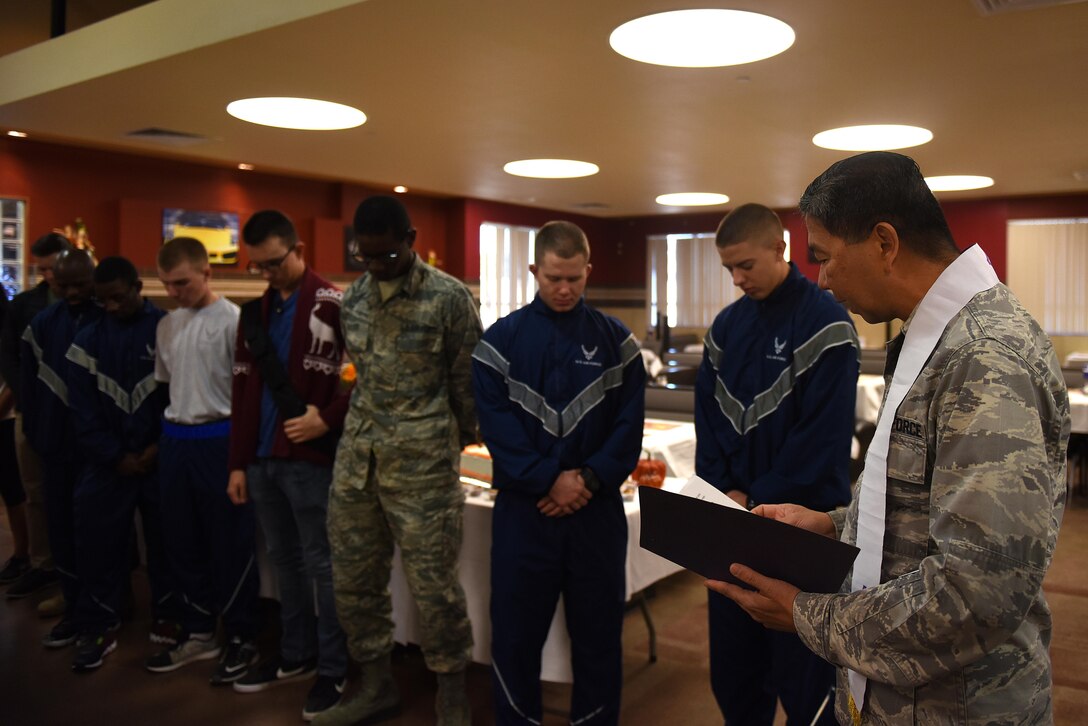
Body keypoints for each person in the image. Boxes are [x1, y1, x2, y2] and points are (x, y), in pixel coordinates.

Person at [709, 151, 1069, 725]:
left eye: (825, 257)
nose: (822, 280)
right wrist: (834, 524)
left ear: (884, 242)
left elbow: (976, 593)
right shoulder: (936, 337)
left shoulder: (983, 357)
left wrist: (807, 614)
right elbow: (922, 506)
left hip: (958, 706)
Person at [472, 220, 646, 726]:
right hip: (526, 514)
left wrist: (586, 480)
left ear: (589, 270)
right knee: (515, 637)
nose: (565, 289)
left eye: (575, 278)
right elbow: (497, 430)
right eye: (554, 278)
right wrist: (550, 479)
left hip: (596, 514)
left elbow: (627, 429)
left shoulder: (619, 343)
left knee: (598, 638)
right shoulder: (497, 345)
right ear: (534, 271)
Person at [315, 196, 478, 726]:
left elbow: (468, 389)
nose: (377, 266)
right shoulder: (354, 300)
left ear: (410, 239)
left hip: (424, 466)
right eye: (367, 257)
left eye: (387, 255)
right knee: (354, 582)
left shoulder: (449, 298)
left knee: (434, 588)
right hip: (358, 462)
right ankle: (375, 685)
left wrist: (443, 443)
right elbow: (357, 373)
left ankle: (451, 694)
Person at [695, 203, 858, 725]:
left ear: (780, 249)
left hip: (798, 532)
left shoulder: (827, 324)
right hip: (731, 527)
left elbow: (822, 440)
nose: (738, 279)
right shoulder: (724, 328)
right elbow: (709, 424)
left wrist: (755, 499)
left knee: (805, 683)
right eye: (729, 270)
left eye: (746, 265)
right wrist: (727, 493)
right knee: (736, 678)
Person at [227, 210, 349, 720]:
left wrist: (326, 419)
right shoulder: (253, 315)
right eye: (258, 266)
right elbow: (241, 391)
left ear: (299, 249)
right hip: (262, 458)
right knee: (284, 559)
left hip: (310, 457)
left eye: (275, 262)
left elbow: (360, 378)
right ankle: (296, 652)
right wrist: (238, 463)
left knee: (323, 562)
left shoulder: (334, 304)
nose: (267, 273)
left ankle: (333, 666)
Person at [146, 237, 260, 685]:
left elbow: (249, 398)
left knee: (230, 542)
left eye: (182, 283)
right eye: (167, 285)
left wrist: (241, 459)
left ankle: (241, 635)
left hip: (220, 439)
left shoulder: (236, 321)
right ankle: (197, 631)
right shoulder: (166, 326)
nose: (174, 292)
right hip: (176, 439)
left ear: (207, 273)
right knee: (181, 541)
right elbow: (167, 386)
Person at [65, 256, 177, 671]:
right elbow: (82, 413)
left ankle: (170, 614)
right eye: (103, 300)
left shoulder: (167, 328)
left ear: (137, 287)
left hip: (158, 457)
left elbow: (179, 397)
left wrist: (158, 448)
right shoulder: (87, 341)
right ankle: (99, 622)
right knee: (96, 541)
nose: (110, 306)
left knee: (168, 541)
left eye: (118, 297)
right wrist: (116, 457)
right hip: (107, 462)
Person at [19, 248, 102, 648]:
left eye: (80, 285)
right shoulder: (41, 324)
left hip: (98, 451)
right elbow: (29, 388)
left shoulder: (108, 317)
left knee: (99, 532)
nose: (71, 293)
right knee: (62, 529)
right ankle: (73, 603)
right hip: (55, 446)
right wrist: (38, 436)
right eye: (62, 285)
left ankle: (103, 604)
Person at [0, 232, 72, 609]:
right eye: (41, 268)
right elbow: (9, 355)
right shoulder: (25, 304)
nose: (48, 275)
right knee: (34, 491)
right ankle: (42, 563)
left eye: (53, 266)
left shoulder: (84, 301)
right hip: (31, 411)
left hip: (71, 415)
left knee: (71, 491)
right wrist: (26, 398)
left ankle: (72, 569)